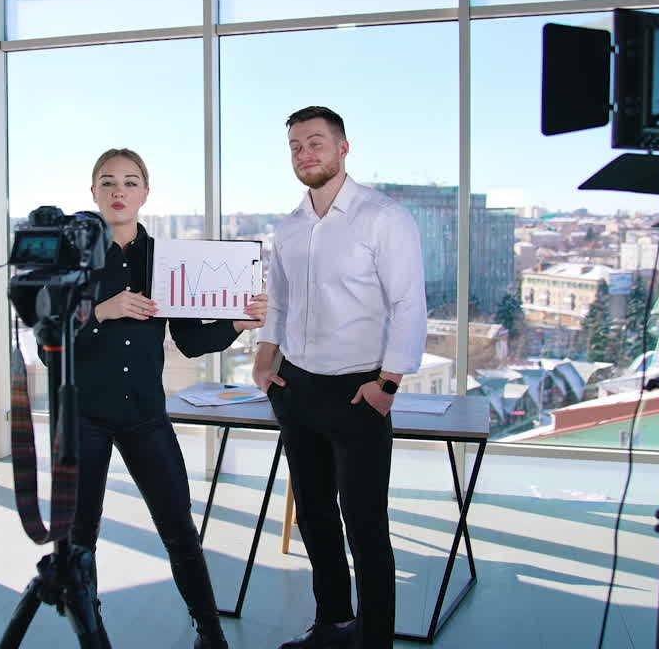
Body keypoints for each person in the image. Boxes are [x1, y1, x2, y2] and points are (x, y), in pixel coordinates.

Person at [68, 147, 267, 649]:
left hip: (144, 413)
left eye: (130, 182)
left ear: (145, 193)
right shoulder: (72, 257)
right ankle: (93, 639)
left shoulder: (166, 259)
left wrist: (237, 324)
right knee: (81, 541)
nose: (119, 191)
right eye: (108, 182)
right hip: (84, 415)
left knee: (179, 527)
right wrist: (103, 311)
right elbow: (53, 349)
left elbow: (190, 340)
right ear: (93, 192)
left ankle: (210, 631)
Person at [252, 107, 427, 649]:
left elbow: (408, 304)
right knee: (316, 519)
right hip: (296, 387)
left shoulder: (383, 217)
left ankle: (374, 640)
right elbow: (279, 303)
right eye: (296, 146)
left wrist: (389, 383)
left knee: (366, 526)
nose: (306, 153)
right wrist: (263, 361)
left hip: (359, 392)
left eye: (316, 142)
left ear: (343, 148)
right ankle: (332, 625)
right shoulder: (288, 227)